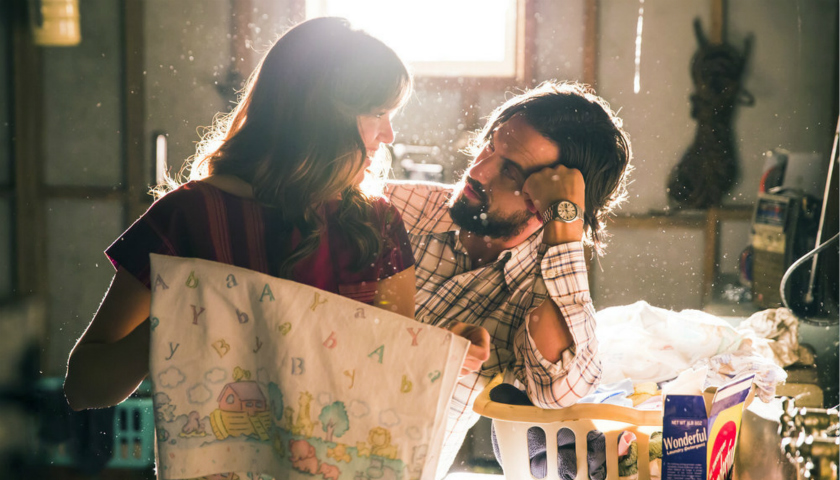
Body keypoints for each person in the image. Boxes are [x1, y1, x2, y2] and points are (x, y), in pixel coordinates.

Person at [63, 17, 418, 412]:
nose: (388, 136)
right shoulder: (188, 217)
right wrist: (176, 319)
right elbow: (83, 387)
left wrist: (451, 349)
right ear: (316, 117)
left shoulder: (377, 224)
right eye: (377, 114)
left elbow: (398, 377)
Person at [385, 80, 633, 477]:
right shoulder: (392, 209)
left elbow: (562, 390)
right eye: (489, 146)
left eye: (510, 171)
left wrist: (566, 227)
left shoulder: (538, 290)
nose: (478, 170)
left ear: (545, 200)